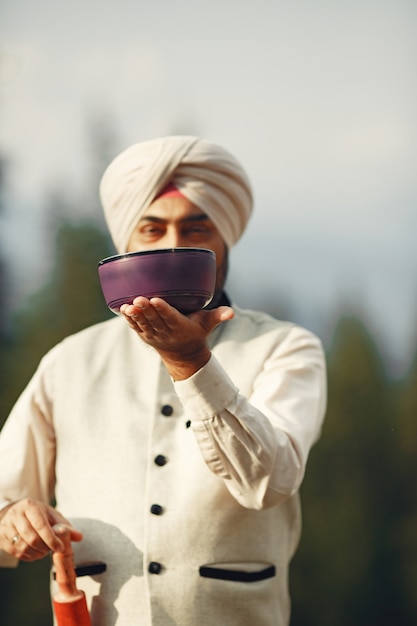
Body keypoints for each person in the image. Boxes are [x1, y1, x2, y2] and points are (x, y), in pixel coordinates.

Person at [0, 135, 326, 626]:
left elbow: (269, 482)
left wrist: (191, 363)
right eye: (153, 229)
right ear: (126, 245)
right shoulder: (69, 361)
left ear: (224, 242)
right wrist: (13, 524)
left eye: (196, 229)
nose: (173, 244)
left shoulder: (285, 348)